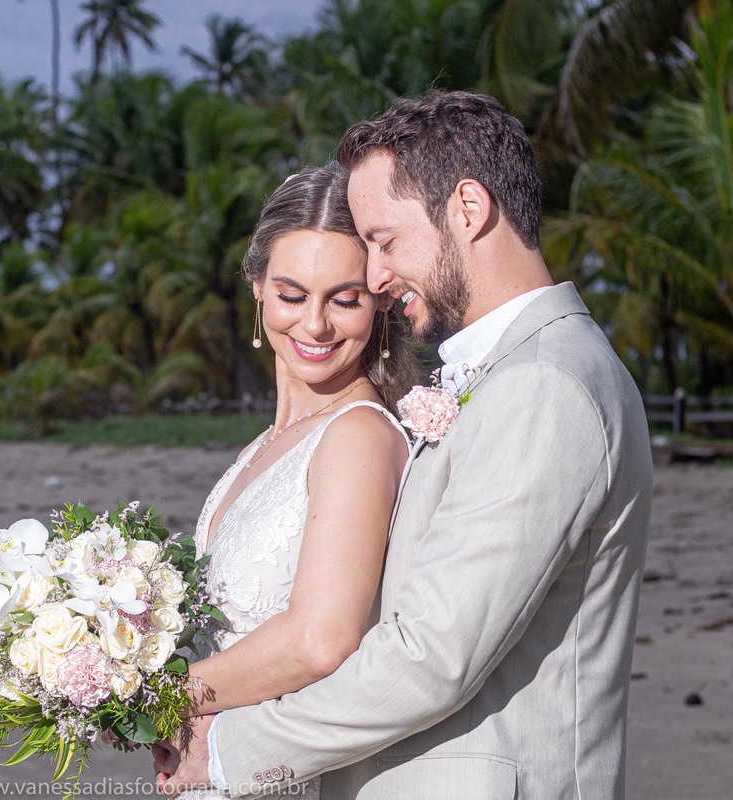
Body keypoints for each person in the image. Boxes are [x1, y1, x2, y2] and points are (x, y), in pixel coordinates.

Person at [156, 91, 654, 799]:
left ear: (469, 209)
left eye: (385, 241)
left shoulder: (545, 384)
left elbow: (432, 653)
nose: (379, 277)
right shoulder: (513, 373)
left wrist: (233, 750)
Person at [161, 163, 421, 800]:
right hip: (214, 767)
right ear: (257, 289)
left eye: (344, 298)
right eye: (292, 294)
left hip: (274, 771)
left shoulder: (358, 434)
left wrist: (160, 699)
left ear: (379, 301)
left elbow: (319, 640)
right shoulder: (270, 443)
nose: (315, 325)